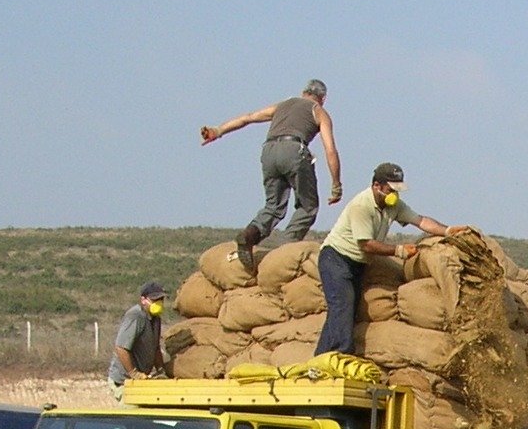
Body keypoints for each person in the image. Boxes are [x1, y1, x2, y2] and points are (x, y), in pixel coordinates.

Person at [314, 164, 469, 357]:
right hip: (336, 258)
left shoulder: (393, 205)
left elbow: (420, 221)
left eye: (397, 190)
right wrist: (399, 251)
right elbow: (366, 245)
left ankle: (320, 358)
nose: (395, 194)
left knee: (346, 310)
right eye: (391, 189)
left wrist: (447, 230)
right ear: (377, 186)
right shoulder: (361, 206)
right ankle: (342, 355)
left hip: (357, 264)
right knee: (342, 305)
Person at [201, 80, 344, 266]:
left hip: (268, 151)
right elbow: (330, 150)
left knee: (273, 206)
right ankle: (286, 247)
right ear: (323, 98)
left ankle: (250, 235)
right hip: (294, 150)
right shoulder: (318, 111)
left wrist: (217, 130)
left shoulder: (283, 105)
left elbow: (249, 117)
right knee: (308, 206)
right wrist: (336, 185)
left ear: (303, 92)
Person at [108, 282, 168, 392]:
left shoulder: (156, 319)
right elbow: (121, 348)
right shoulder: (135, 316)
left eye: (161, 300)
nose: (159, 303)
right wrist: (134, 373)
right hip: (123, 381)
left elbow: (155, 348)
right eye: (154, 300)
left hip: (141, 380)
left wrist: (161, 370)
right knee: (133, 408)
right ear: (143, 300)